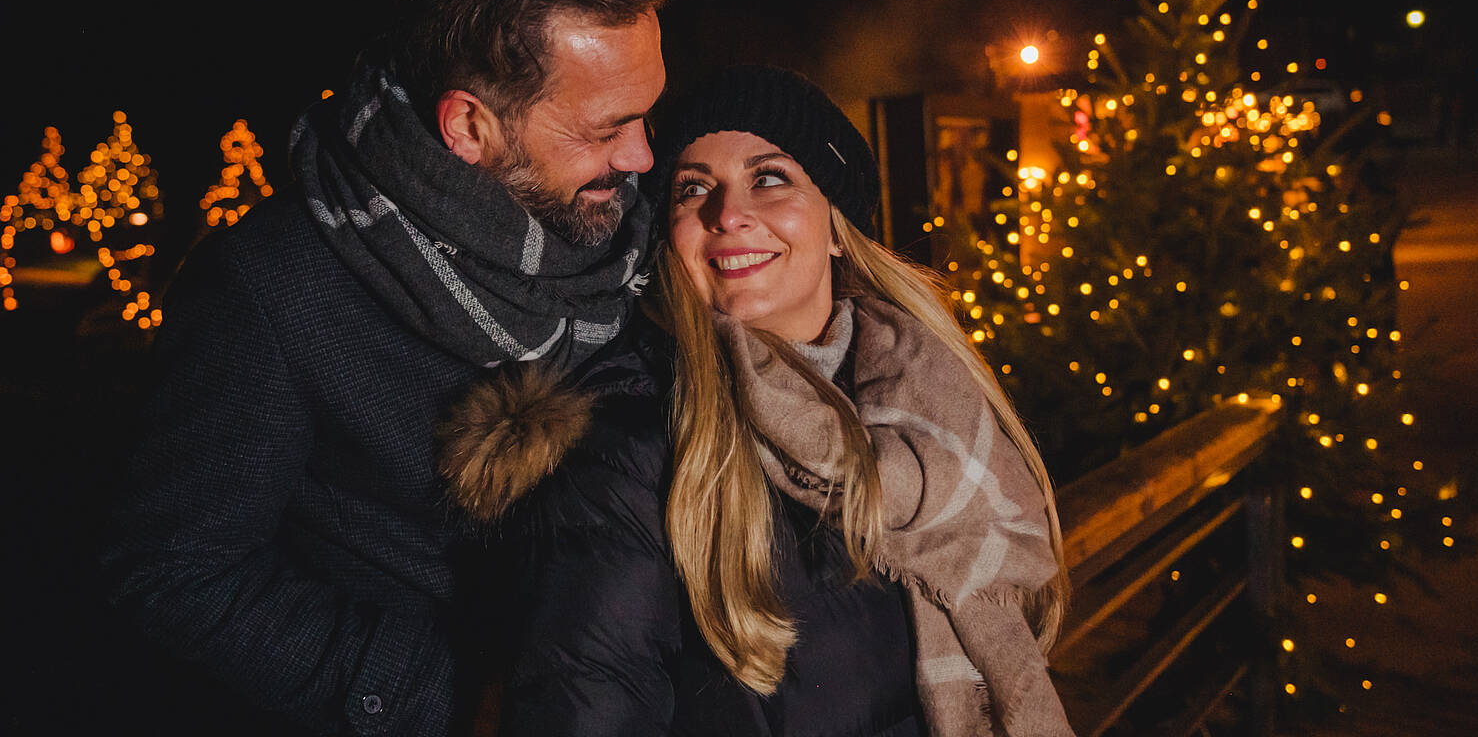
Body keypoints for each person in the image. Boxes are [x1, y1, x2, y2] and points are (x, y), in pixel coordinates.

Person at [103, 0, 676, 736]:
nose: (641, 157)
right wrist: (440, 693)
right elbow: (174, 571)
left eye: (647, 114)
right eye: (604, 130)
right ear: (470, 128)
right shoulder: (276, 284)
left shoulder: (654, 239)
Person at [441, 65, 1074, 736]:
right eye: (692, 190)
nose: (728, 214)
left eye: (768, 178)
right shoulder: (631, 458)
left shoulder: (937, 405)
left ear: (835, 227)